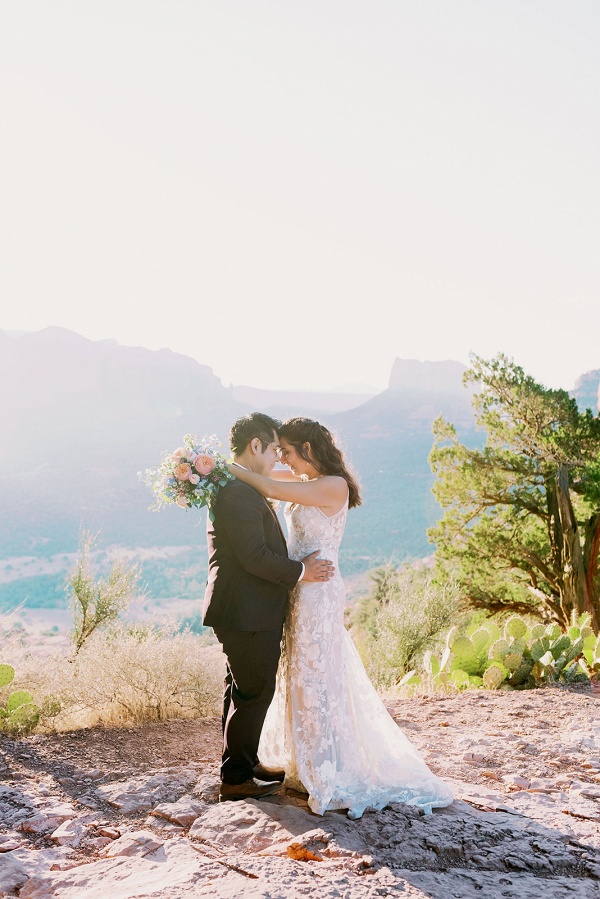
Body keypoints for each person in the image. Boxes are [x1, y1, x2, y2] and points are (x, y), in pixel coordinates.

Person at [229, 417, 454, 819]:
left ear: (308, 450)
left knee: (318, 673)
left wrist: (208, 466)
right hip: (299, 585)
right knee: (297, 672)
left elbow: (266, 484)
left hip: (319, 589)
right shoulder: (302, 476)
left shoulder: (333, 485)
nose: (282, 459)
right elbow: (260, 470)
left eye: (288, 452)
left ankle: (330, 766)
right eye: (278, 451)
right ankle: (307, 759)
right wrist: (209, 465)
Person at [202, 412, 335, 803]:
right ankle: (237, 780)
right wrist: (301, 570)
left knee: (241, 687)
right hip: (247, 609)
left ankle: (245, 761)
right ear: (256, 445)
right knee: (254, 691)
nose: (278, 458)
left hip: (246, 608)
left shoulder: (239, 486)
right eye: (275, 448)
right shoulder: (238, 492)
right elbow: (254, 557)